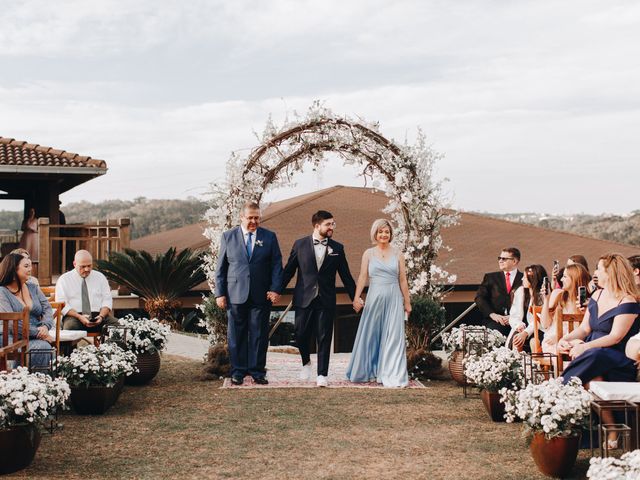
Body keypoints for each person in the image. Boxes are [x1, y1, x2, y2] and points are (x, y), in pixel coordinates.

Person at [558, 253, 640, 449]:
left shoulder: (628, 301)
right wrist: (566, 339)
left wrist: (584, 346)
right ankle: (611, 427)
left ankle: (556, 391)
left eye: (599, 269)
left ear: (610, 272)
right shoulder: (597, 294)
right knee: (593, 380)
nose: (594, 273)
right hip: (593, 356)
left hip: (618, 359)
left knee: (595, 354)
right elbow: (585, 329)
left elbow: (615, 337)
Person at [281, 210, 357, 387]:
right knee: (300, 334)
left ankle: (322, 374)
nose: (332, 227)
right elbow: (288, 271)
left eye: (333, 224)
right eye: (328, 224)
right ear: (317, 226)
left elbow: (346, 276)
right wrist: (277, 290)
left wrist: (355, 298)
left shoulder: (337, 248)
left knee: (324, 336)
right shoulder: (299, 245)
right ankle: (306, 362)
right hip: (303, 297)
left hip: (326, 299)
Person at [214, 202, 283, 386]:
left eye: (257, 217)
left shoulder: (269, 237)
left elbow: (277, 264)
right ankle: (238, 371)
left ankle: (257, 371)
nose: (254, 221)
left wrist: (275, 288)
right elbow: (221, 268)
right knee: (236, 335)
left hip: (261, 294)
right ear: (242, 218)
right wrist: (219, 293)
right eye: (250, 217)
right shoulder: (228, 237)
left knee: (259, 334)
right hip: (235, 294)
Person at [346, 219, 410, 387]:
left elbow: (402, 279)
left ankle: (391, 373)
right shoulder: (368, 253)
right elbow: (362, 277)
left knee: (393, 336)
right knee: (371, 334)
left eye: (387, 232)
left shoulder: (398, 254)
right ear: (375, 234)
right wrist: (356, 297)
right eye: (381, 232)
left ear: (391, 235)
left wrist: (407, 302)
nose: (384, 235)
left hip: (394, 297)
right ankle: (366, 370)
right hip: (374, 296)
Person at [0, 253, 54, 369]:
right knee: (43, 347)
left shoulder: (32, 287)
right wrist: (39, 334)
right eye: (26, 266)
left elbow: (47, 308)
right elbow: (11, 323)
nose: (30, 269)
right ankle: (27, 382)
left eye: (30, 266)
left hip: (35, 334)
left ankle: (42, 383)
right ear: (13, 269)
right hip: (10, 336)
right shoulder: (2, 292)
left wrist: (45, 327)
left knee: (45, 347)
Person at [55, 250, 120, 333]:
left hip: (98, 315)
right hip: (74, 316)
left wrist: (101, 316)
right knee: (69, 328)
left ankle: (110, 346)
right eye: (82, 266)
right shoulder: (64, 279)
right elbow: (62, 305)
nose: (86, 269)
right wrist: (79, 316)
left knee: (117, 327)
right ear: (74, 264)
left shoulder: (100, 277)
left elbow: (107, 300)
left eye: (89, 266)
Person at [540, 263, 591, 355]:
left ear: (574, 279)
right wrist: (546, 300)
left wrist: (563, 337)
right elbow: (545, 324)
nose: (561, 279)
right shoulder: (557, 294)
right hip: (552, 342)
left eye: (565, 276)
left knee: (577, 348)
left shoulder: (586, 301)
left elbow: (586, 328)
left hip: (575, 341)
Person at [475, 247, 524, 337]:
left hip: (519, 321)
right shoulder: (490, 277)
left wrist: (513, 316)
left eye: (504, 259)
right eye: (499, 258)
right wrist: (492, 314)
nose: (500, 261)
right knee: (494, 335)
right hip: (495, 321)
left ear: (515, 261)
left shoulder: (525, 278)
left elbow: (529, 301)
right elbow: (480, 297)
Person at [505, 264, 548, 352]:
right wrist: (519, 325)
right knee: (516, 340)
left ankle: (537, 364)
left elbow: (539, 320)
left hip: (538, 329)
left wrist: (526, 333)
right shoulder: (520, 291)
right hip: (521, 327)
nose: (522, 279)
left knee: (533, 342)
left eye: (524, 277)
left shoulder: (543, 296)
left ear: (532, 279)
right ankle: (517, 363)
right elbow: (514, 315)